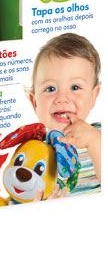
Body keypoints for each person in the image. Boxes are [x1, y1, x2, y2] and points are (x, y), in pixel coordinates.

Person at [28, 33, 101, 196]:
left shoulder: (99, 136)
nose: (62, 98)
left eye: (75, 87)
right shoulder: (33, 148)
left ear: (93, 96)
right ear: (35, 102)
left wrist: (95, 141)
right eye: (50, 89)